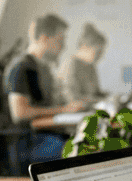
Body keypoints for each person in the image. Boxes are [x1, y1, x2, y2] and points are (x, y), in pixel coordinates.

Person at [6, 13, 85, 163]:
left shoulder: (43, 68)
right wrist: (64, 110)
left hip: (46, 135)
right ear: (44, 38)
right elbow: (20, 113)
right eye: (60, 40)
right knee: (85, 152)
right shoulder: (22, 67)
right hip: (29, 141)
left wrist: (67, 106)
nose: (63, 46)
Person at [58, 23, 109, 105]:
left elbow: (96, 93)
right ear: (84, 47)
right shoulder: (70, 65)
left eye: (102, 52)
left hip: (90, 108)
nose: (100, 56)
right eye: (98, 52)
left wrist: (109, 97)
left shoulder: (91, 66)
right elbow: (72, 98)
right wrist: (100, 100)